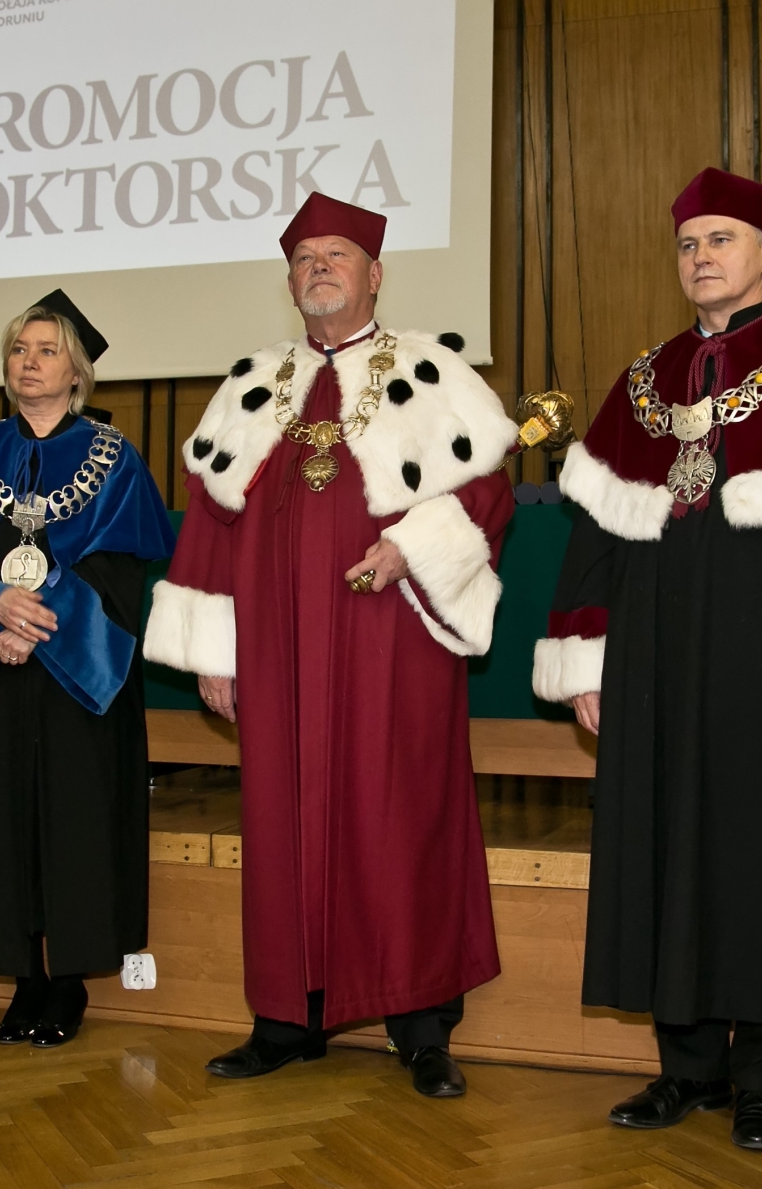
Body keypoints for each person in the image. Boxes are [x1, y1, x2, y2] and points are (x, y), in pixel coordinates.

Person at [533, 169, 762, 1149]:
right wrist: (587, 656)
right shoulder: (644, 379)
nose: (702, 258)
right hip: (656, 659)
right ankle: (685, 1067)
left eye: (722, 240)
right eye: (689, 245)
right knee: (664, 847)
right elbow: (595, 533)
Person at [144, 193, 517, 1098]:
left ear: (375, 274)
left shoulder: (431, 371)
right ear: (289, 283)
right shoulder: (253, 384)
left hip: (395, 638)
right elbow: (210, 522)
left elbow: (488, 492)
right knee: (281, 819)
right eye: (304, 258)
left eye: (337, 254)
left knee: (403, 816)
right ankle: (287, 1018)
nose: (319, 267)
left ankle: (420, 1026)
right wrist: (214, 649)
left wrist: (414, 544)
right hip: (276, 646)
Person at [0, 291, 174, 1048]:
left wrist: (36, 622)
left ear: (76, 372)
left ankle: (67, 983)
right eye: (20, 349)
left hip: (76, 675)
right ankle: (22, 976)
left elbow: (120, 575)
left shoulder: (114, 460)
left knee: (75, 820)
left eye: (47, 350)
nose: (29, 362)